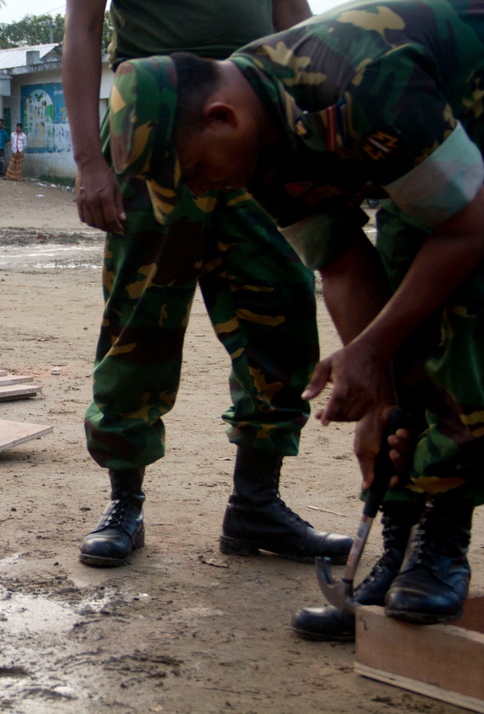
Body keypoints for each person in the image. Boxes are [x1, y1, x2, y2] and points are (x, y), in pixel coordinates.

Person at [108, 0, 484, 630]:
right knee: (402, 333)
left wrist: (373, 353)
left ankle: (443, 542)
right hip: (431, 152)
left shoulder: (364, 82)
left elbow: (468, 226)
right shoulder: (255, 144)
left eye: (199, 171)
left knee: (469, 319)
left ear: (221, 117)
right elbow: (344, 264)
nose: (205, 191)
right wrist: (380, 400)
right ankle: (395, 545)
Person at [63, 0, 351, 569]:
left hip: (259, 116)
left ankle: (256, 504)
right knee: (138, 321)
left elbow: (296, 21)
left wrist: (317, 134)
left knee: (281, 309)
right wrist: (89, 162)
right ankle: (125, 505)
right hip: (155, 119)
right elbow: (83, 27)